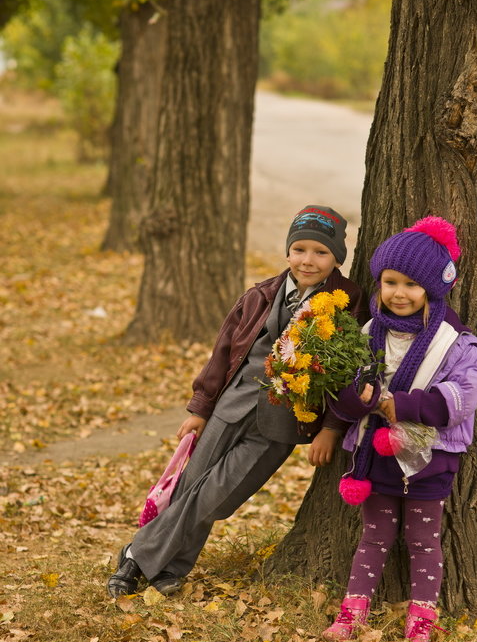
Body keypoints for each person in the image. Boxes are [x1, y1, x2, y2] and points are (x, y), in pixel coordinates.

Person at [108, 205, 368, 598]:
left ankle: (135, 554)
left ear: (337, 258)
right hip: (231, 407)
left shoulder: (348, 302)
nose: (308, 260)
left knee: (217, 496)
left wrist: (331, 428)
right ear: (287, 253)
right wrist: (200, 408)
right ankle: (166, 569)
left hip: (280, 423)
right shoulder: (262, 294)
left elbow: (347, 374)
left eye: (320, 252)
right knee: (190, 487)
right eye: (300, 250)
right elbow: (223, 352)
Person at [322, 216, 477, 642]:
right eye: (390, 282)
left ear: (434, 288)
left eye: (412, 285)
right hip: (376, 455)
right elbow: (345, 392)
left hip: (431, 459)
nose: (399, 293)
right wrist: (357, 399)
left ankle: (422, 618)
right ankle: (353, 611)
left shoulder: (456, 344)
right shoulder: (367, 335)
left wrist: (393, 404)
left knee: (422, 539)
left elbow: (460, 397)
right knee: (375, 534)